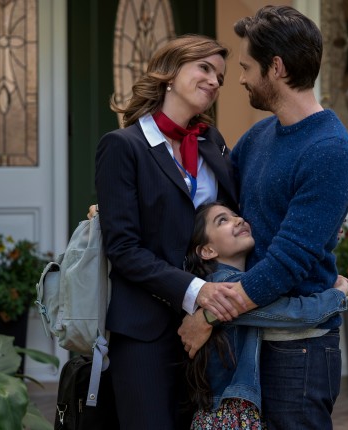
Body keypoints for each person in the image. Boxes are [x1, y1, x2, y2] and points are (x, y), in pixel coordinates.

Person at [180, 6, 348, 429]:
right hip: (248, 341)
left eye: (246, 67)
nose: (241, 79)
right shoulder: (260, 135)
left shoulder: (330, 151)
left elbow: (285, 265)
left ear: (276, 68)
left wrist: (207, 315)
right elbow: (211, 204)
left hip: (297, 350)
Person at [94, 34, 247, 430]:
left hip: (212, 330)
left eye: (220, 77)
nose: (214, 81)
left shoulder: (212, 142)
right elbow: (123, 249)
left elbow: (237, 217)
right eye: (205, 68)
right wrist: (197, 291)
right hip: (144, 330)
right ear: (169, 72)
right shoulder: (122, 146)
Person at [181, 201, 348, 429]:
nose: (238, 220)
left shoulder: (238, 281)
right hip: (229, 417)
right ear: (207, 250)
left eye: (235, 215)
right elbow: (294, 314)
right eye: (223, 220)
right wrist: (338, 295)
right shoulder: (224, 288)